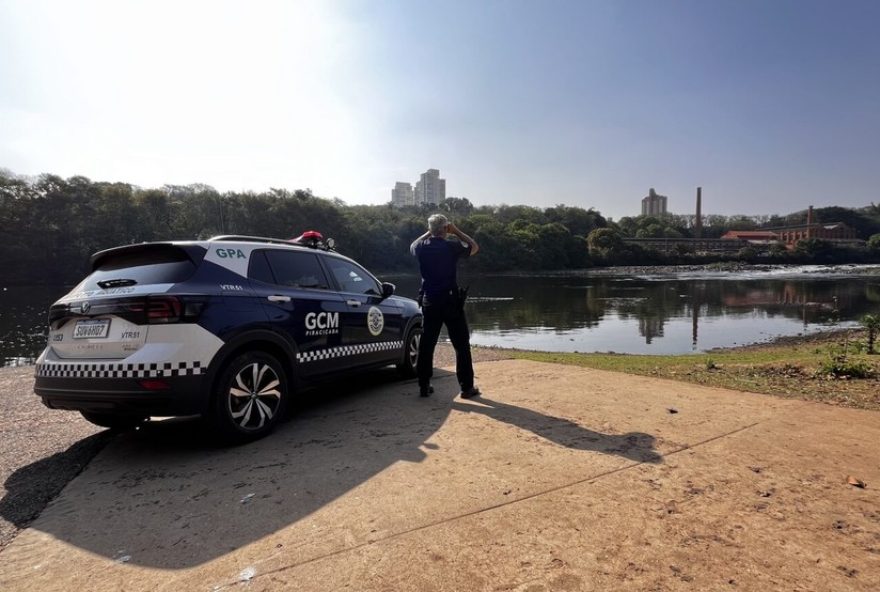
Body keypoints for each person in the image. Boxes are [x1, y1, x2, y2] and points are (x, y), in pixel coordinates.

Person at [410, 213, 481, 399]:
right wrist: (456, 230)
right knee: (461, 345)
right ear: (445, 230)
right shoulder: (451, 246)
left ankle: (424, 386)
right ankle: (466, 388)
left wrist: (428, 232)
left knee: (427, 344)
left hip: (429, 301)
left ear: (431, 229)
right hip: (450, 301)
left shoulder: (421, 247)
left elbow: (411, 246)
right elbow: (474, 247)